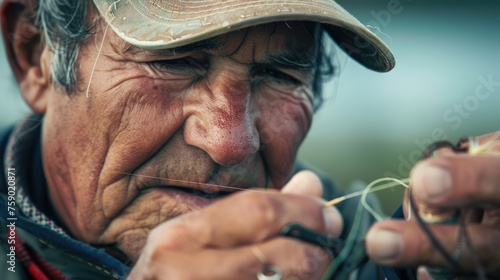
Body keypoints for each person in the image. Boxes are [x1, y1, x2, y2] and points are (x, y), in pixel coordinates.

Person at [0, 0, 392, 279]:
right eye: (173, 62)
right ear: (35, 54)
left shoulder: (370, 255)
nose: (230, 143)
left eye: (279, 77)